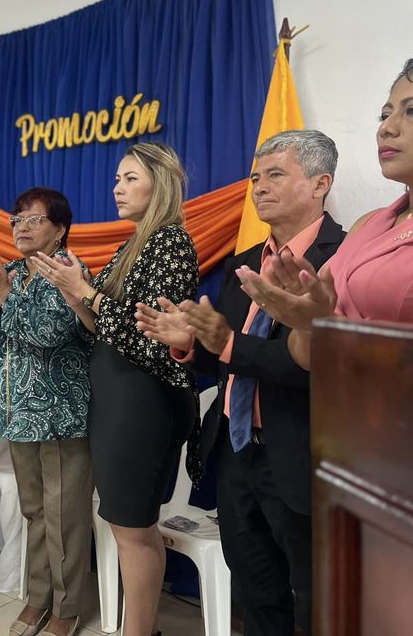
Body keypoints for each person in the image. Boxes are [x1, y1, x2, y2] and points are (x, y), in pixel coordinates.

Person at [135, 130, 345, 636]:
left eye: (275, 175)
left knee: (316, 597)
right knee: (254, 589)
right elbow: (226, 362)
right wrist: (190, 345)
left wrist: (227, 344)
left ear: (320, 183)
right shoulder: (245, 261)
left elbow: (314, 365)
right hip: (236, 449)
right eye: (255, 177)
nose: (259, 187)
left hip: (301, 454)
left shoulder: (342, 259)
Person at [36, 143, 198, 636]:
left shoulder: (170, 242)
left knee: (133, 527)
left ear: (160, 183)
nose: (117, 189)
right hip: (117, 395)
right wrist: (75, 294)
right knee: (126, 525)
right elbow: (103, 327)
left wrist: (85, 291)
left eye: (130, 178)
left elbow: (148, 334)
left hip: (143, 399)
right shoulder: (136, 242)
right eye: (116, 180)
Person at [0, 188, 91, 636]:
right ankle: (39, 598)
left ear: (59, 230)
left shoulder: (69, 270)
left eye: (33, 219)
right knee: (36, 513)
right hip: (19, 415)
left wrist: (2, 292)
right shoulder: (13, 272)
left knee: (63, 517)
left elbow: (48, 332)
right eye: (16, 220)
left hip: (59, 416)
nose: (21, 227)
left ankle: (68, 608)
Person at [237, 60, 413, 364]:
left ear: (320, 184)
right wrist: (310, 322)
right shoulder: (368, 225)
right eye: (384, 115)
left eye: (411, 111)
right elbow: (310, 358)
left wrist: (227, 343)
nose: (386, 128)